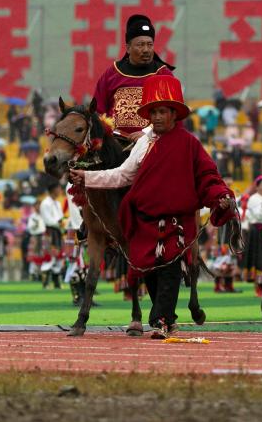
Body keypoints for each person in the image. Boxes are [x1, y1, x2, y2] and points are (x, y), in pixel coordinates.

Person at [70, 74, 237, 338]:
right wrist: (87, 177)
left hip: (175, 221)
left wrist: (220, 196)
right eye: (153, 112)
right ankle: (167, 319)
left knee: (169, 268)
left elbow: (207, 175)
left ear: (174, 114)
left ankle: (160, 319)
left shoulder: (190, 143)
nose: (157, 117)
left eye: (163, 112)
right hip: (143, 221)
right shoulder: (142, 145)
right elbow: (122, 175)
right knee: (147, 269)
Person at [92, 14, 175, 141]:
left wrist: (148, 133)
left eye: (149, 44)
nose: (146, 50)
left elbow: (174, 116)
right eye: (140, 45)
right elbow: (97, 112)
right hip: (115, 146)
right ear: (128, 48)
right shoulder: (111, 74)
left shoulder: (163, 75)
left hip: (153, 145)